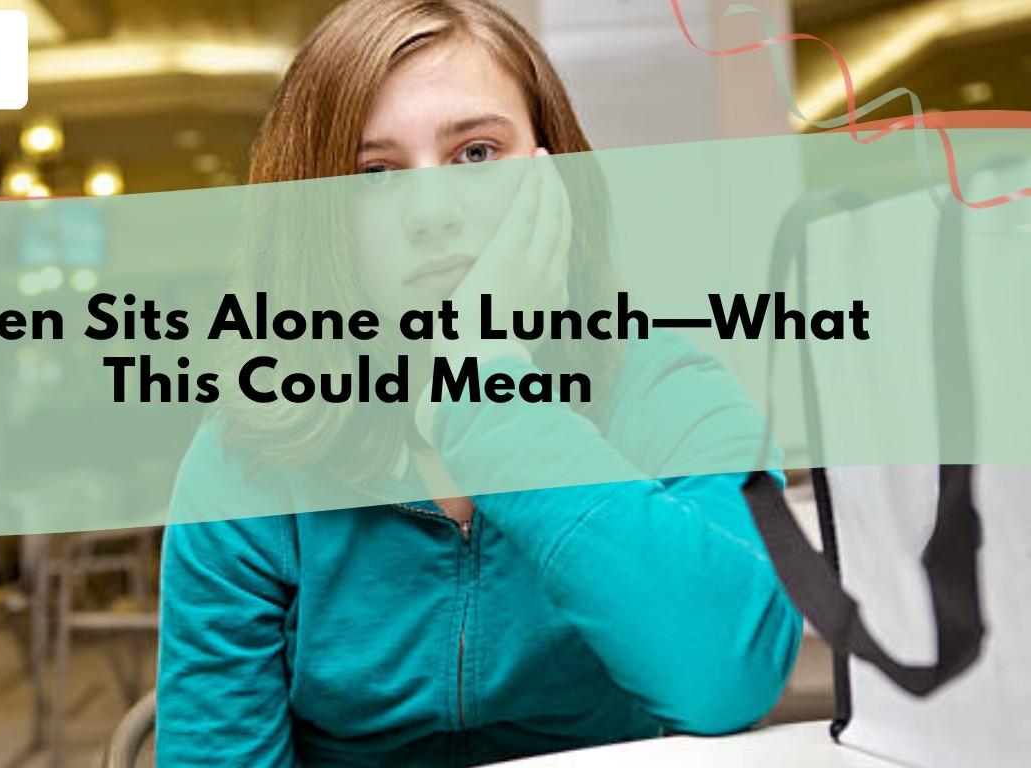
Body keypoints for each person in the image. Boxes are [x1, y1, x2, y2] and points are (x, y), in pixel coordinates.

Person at [156, 1, 803, 765]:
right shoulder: (247, 451)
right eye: (374, 173)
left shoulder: (663, 390)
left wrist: (489, 393)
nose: (432, 211)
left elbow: (729, 680)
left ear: (553, 172)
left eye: (475, 154)